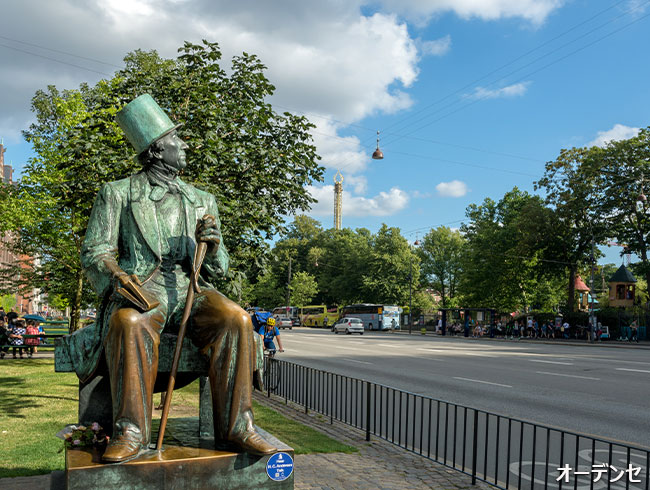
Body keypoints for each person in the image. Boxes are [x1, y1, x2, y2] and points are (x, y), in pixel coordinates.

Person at [76, 94, 277, 463]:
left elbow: (220, 269)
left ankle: (238, 427)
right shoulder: (118, 194)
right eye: (176, 139)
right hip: (144, 286)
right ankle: (131, 432)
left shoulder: (203, 200)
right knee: (129, 322)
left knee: (237, 319)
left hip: (192, 289)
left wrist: (212, 247)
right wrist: (117, 276)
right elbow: (95, 250)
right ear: (156, 150)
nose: (185, 145)